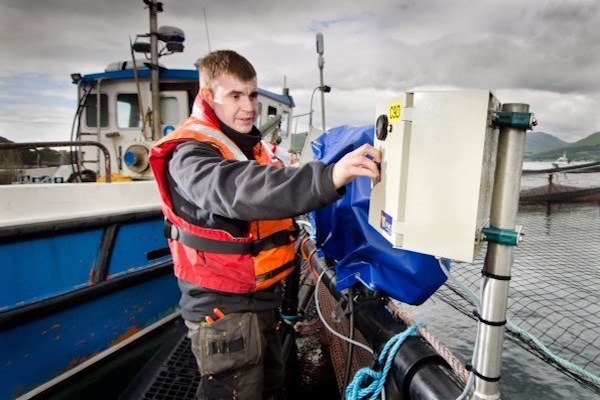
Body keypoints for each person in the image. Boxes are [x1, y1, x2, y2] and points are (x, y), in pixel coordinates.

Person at [148, 49, 380, 400]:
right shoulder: (189, 153)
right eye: (235, 96)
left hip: (258, 299)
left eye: (252, 94)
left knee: (270, 384)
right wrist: (330, 177)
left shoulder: (248, 146)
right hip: (222, 307)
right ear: (208, 97)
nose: (249, 107)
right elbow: (238, 188)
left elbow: (273, 179)